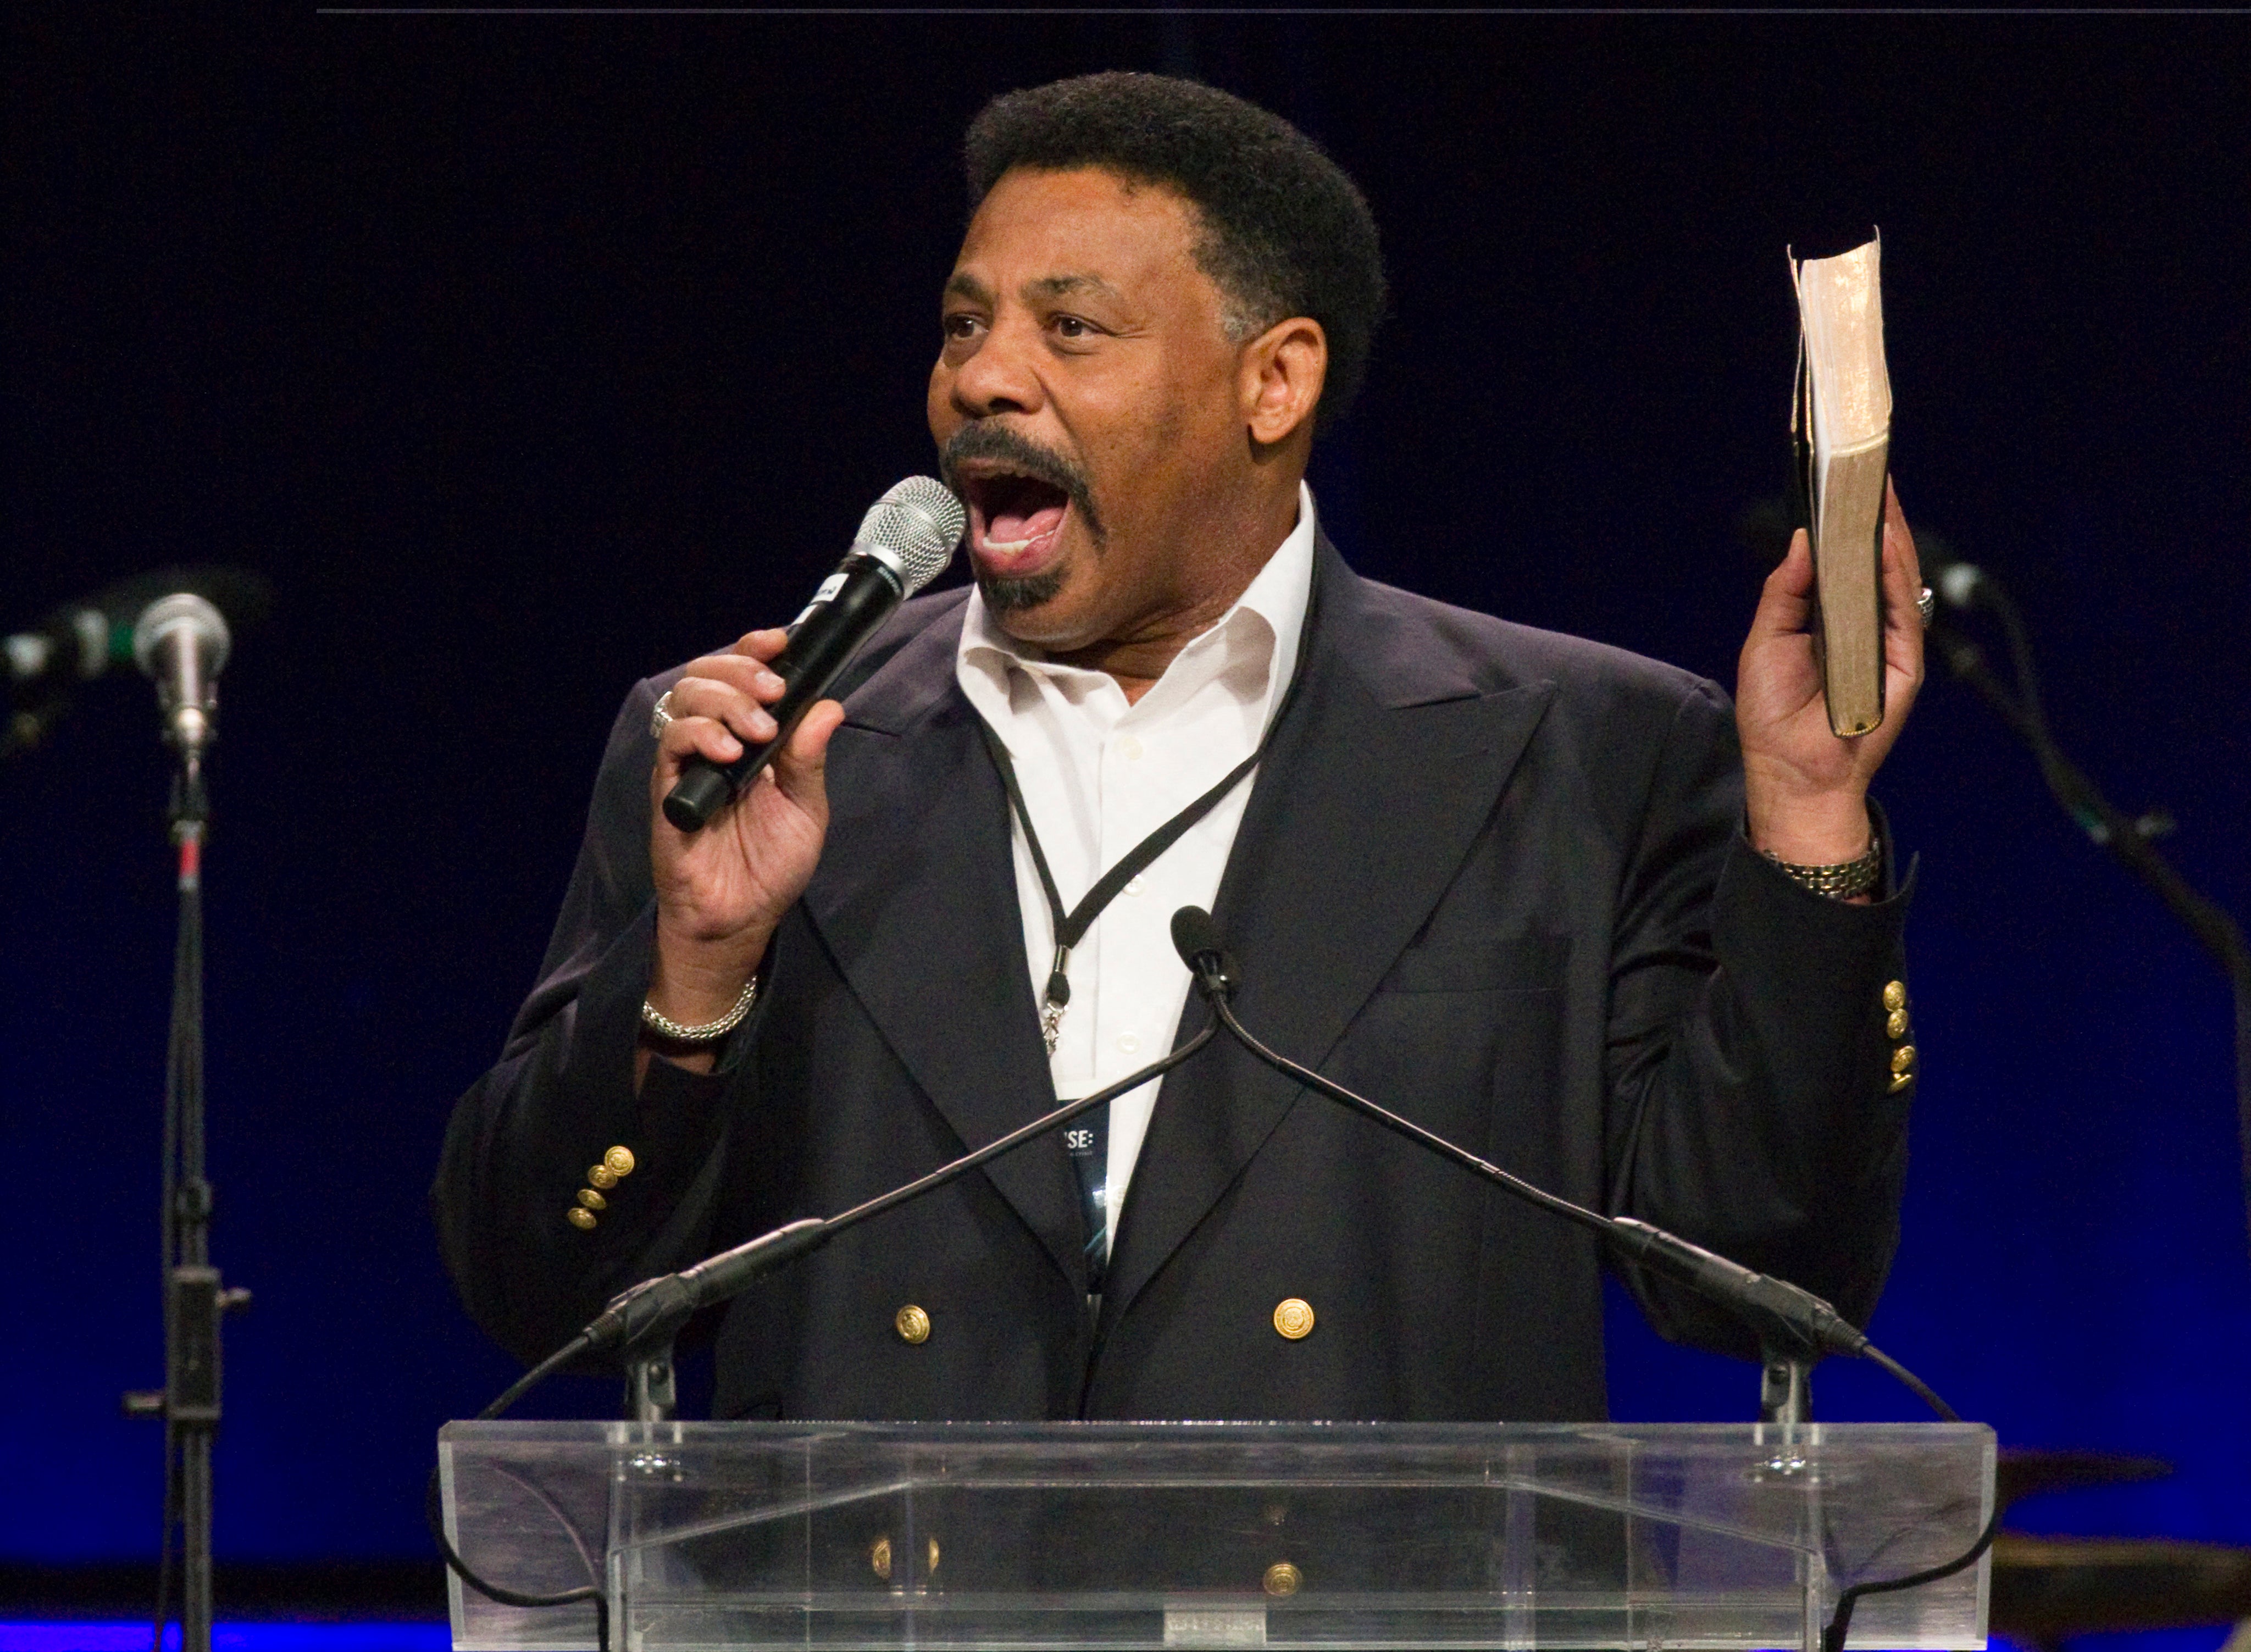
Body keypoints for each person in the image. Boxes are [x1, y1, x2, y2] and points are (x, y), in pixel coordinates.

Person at [434, 72, 1928, 1423]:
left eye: (1069, 328)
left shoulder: (1580, 757)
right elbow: (536, 1294)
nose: (982, 379)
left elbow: (1759, 1271)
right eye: (965, 324)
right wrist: (694, 974)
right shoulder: (758, 757)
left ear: (1274, 382)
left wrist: (1804, 828)